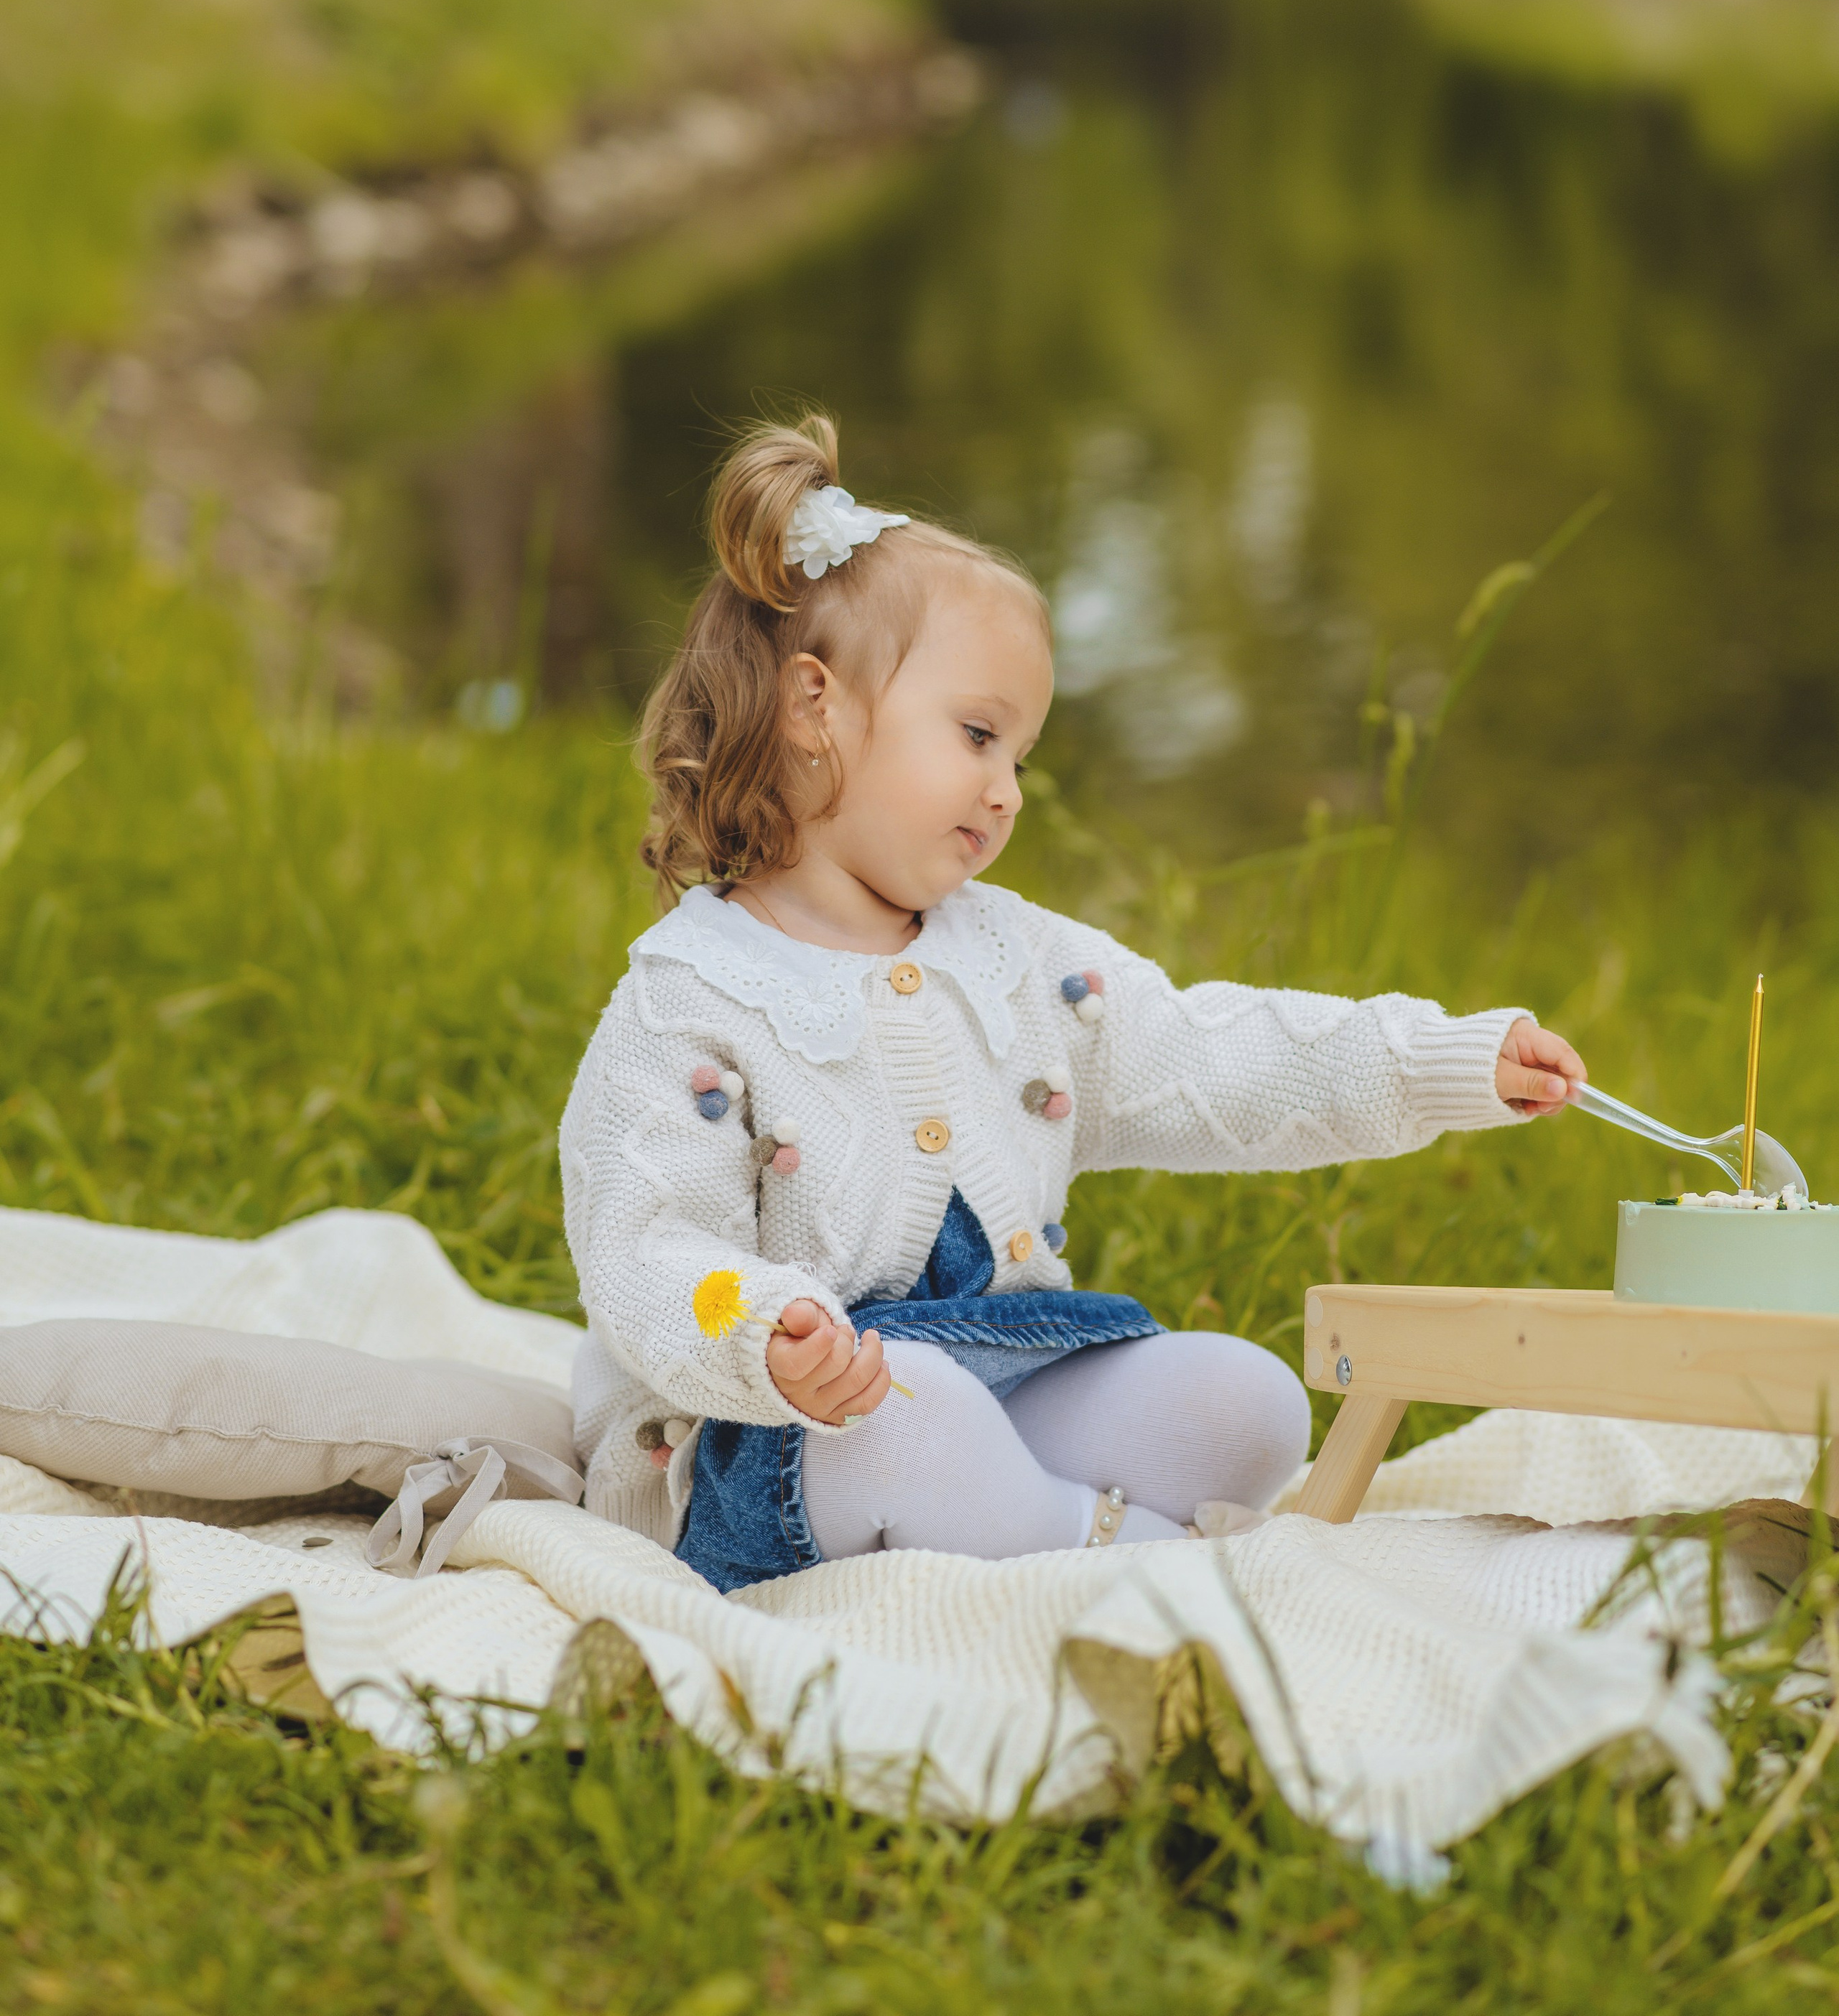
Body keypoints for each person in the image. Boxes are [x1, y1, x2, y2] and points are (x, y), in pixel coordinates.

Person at [560, 414, 1584, 1590]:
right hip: (776, 1444)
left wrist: (1440, 1061)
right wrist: (764, 1337)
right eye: (979, 736)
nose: (1006, 794)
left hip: (1003, 1375)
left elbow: (1221, 1055)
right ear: (815, 709)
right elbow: (646, 1247)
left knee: (1246, 1405)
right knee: (910, 1410)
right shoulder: (694, 999)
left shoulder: (1021, 963)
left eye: (1023, 760)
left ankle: (1021, 1516)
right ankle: (1136, 1569)